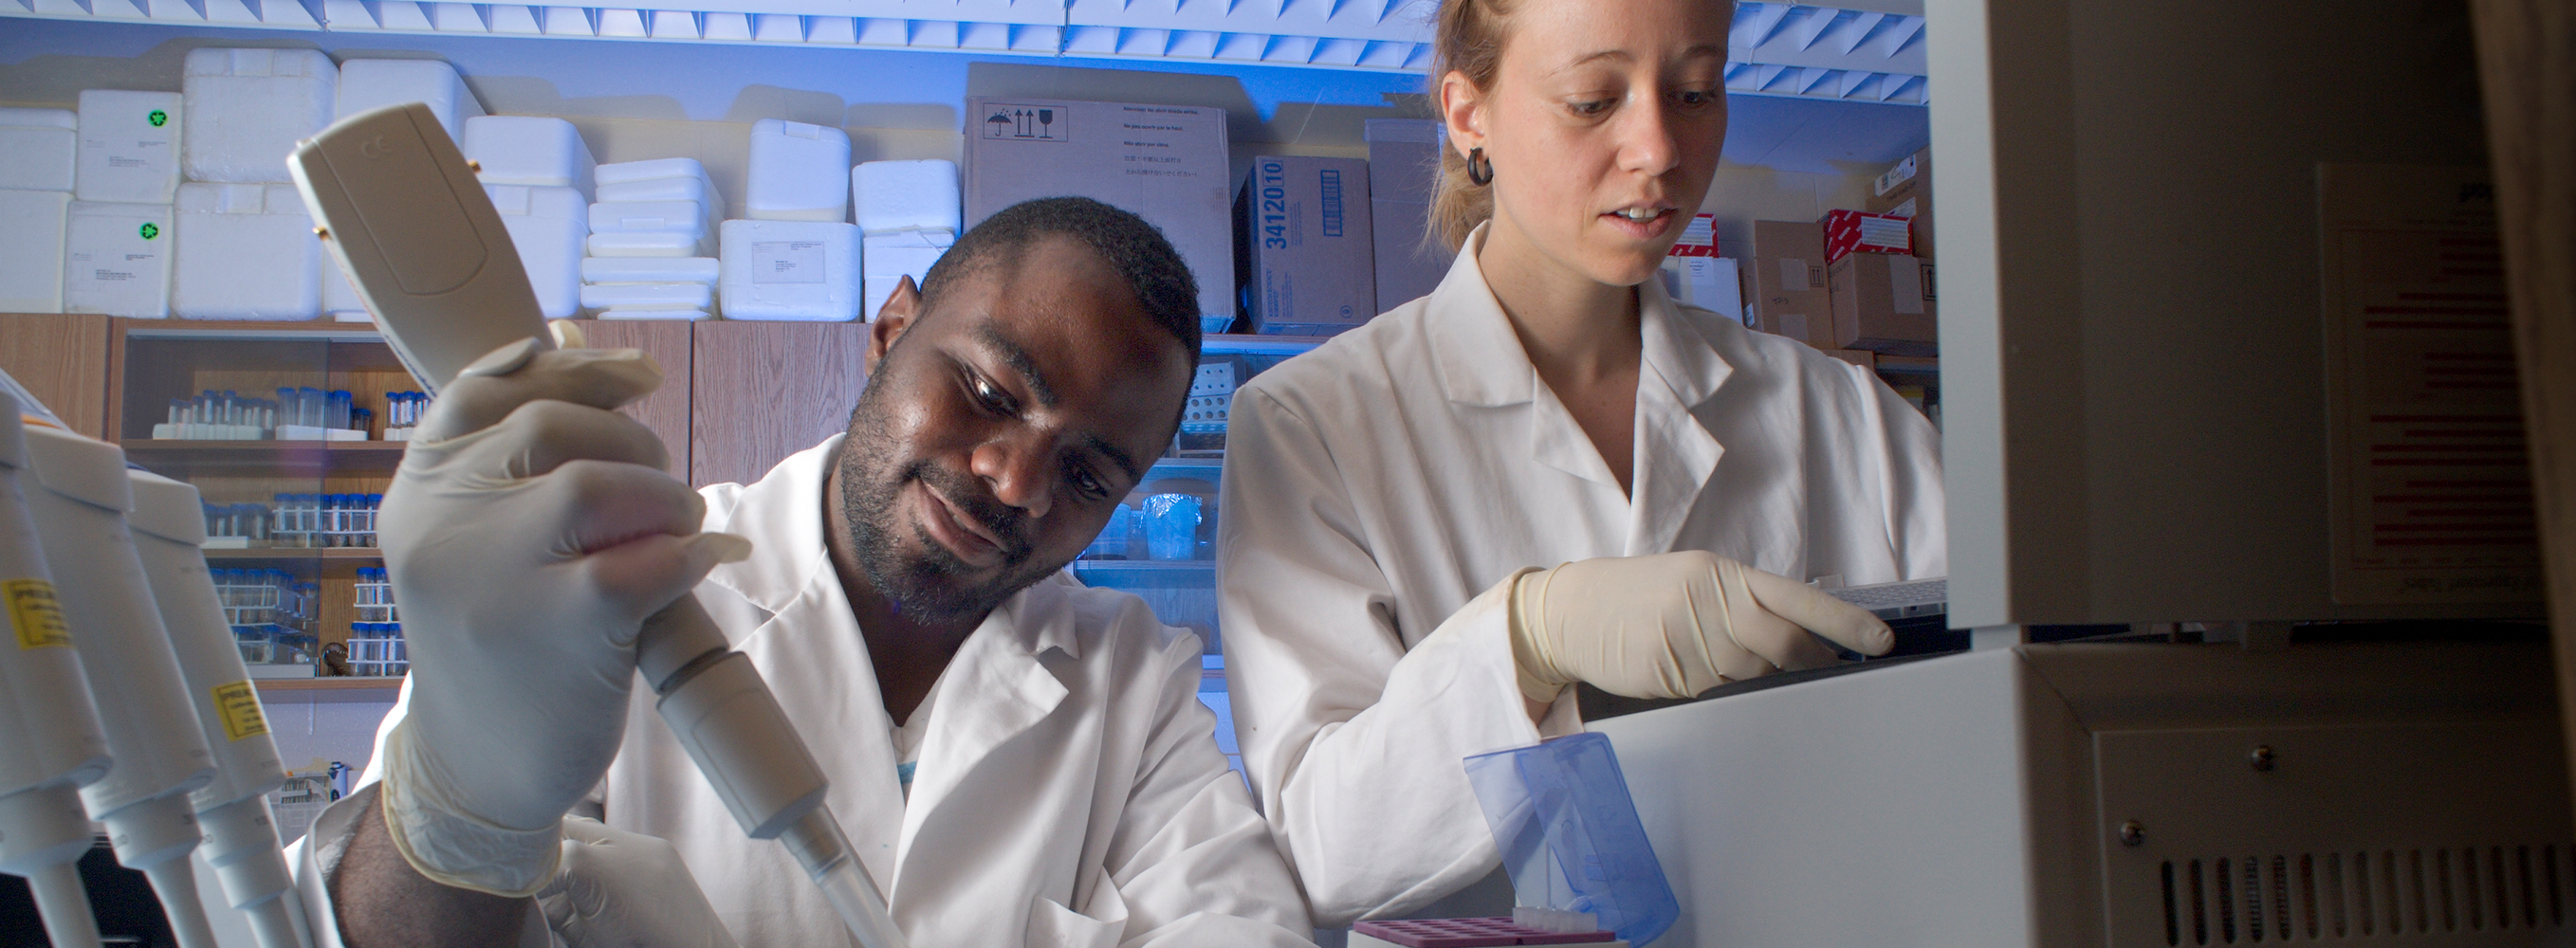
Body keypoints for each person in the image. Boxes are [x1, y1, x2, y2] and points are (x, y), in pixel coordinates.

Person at [298, 197, 1316, 947]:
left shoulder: (1130, 678)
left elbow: (1241, 925)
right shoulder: (616, 589)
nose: (1016, 481)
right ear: (890, 331)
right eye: (991, 389)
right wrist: (464, 804)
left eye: (1088, 474)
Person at [1215, 0, 1948, 927]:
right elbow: (1321, 850)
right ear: (1468, 114)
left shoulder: (1842, 415)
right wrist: (1524, 640)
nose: (1659, 149)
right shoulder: (1310, 424)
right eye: (1592, 99)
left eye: (1695, 90)